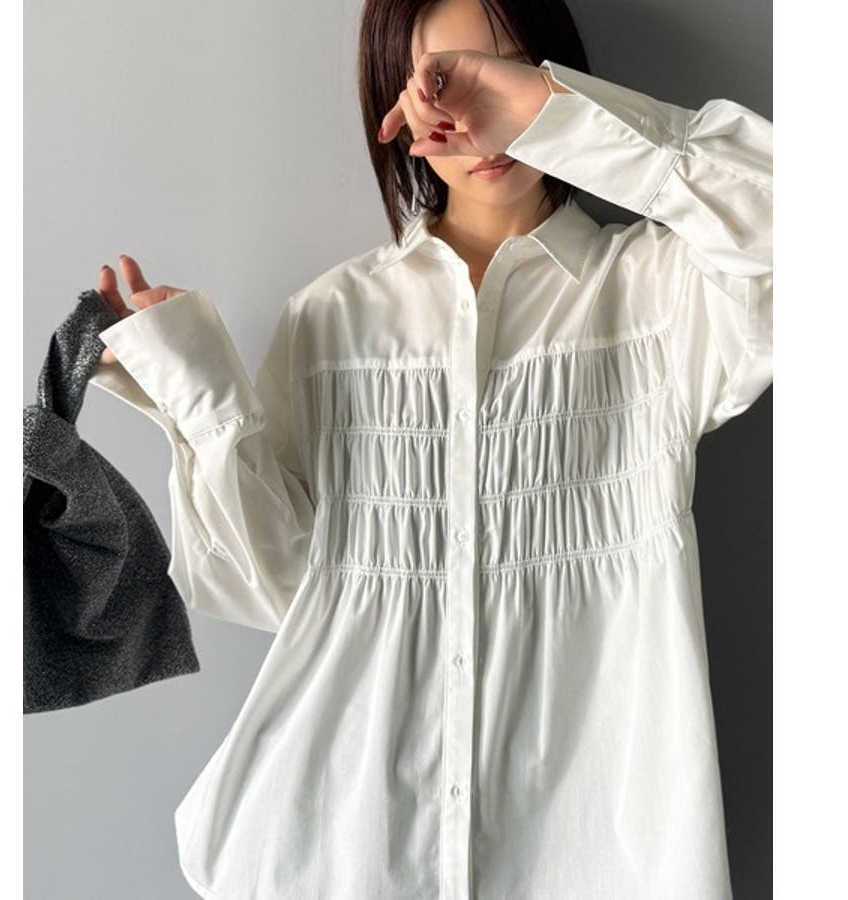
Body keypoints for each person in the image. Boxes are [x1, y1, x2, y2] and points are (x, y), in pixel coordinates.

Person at [89, 0, 772, 897]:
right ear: (394, 105)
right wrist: (201, 393)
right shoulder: (335, 319)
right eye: (439, 80)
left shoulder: (657, 294)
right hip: (348, 846)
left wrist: (553, 117)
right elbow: (282, 589)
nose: (472, 113)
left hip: (596, 852)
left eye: (506, 69)